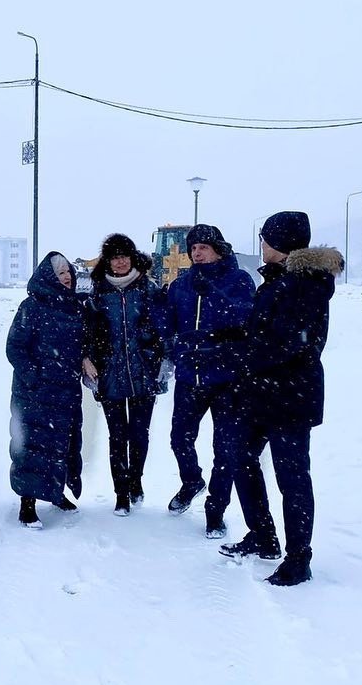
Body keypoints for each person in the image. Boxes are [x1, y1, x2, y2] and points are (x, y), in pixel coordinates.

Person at [218, 211, 344, 586]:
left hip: (290, 397)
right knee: (240, 458)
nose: (262, 246)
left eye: (265, 240)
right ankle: (263, 535)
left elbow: (288, 343)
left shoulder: (304, 284)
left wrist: (237, 354)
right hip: (262, 394)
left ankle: (298, 558)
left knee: (292, 477)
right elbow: (266, 331)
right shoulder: (280, 281)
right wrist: (230, 336)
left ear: (281, 244)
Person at [158, 224, 255, 538]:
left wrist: (217, 344)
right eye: (193, 248)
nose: (197, 253)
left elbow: (246, 322)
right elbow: (169, 325)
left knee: (224, 448)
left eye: (203, 247)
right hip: (189, 377)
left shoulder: (239, 281)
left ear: (218, 249)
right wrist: (175, 347)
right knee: (179, 439)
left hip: (227, 379)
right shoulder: (181, 285)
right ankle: (192, 481)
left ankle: (216, 510)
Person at [84, 233, 166, 516]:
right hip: (110, 374)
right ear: (107, 261)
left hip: (144, 373)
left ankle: (136, 481)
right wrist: (88, 360)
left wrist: (160, 360)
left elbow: (162, 330)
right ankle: (121, 493)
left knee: (139, 434)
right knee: (117, 437)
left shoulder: (149, 290)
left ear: (132, 258)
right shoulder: (98, 294)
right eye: (114, 257)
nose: (119, 262)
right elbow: (88, 334)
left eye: (124, 256)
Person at [7, 251, 85, 528]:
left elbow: (83, 344)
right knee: (32, 446)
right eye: (60, 273)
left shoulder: (76, 307)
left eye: (68, 272)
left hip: (66, 390)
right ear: (48, 277)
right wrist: (33, 376)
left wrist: (85, 360)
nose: (66, 277)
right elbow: (15, 347)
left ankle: (55, 492)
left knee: (62, 444)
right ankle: (27, 505)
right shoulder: (32, 306)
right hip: (35, 393)